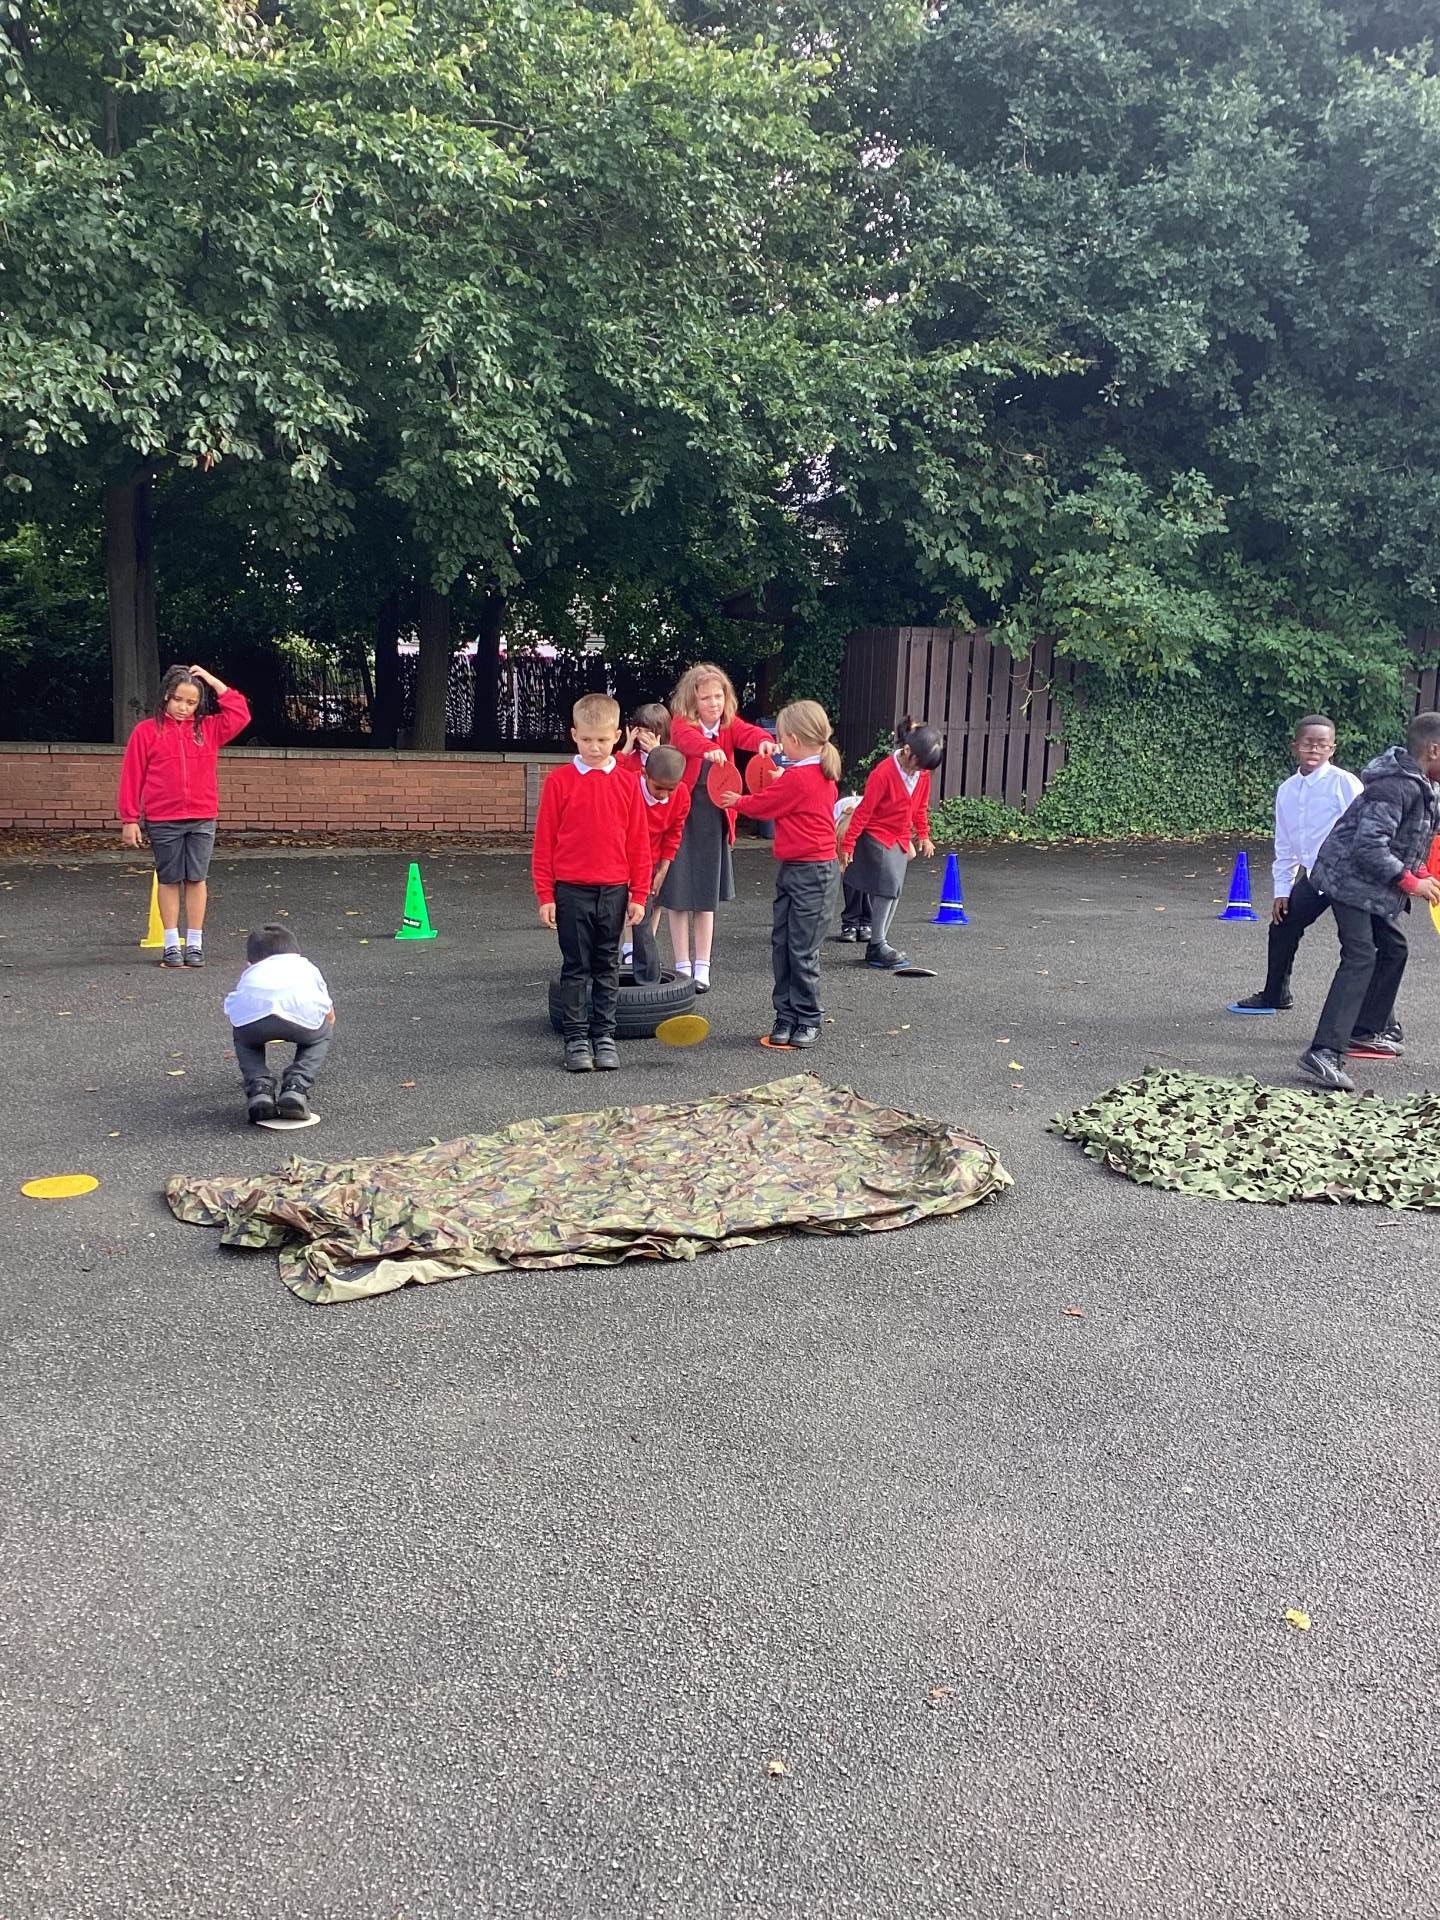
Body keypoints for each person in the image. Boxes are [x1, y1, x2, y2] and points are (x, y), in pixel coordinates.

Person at [1297, 711, 1440, 1091]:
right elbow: (1368, 846)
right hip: (1347, 879)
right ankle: (1324, 1051)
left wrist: (1421, 873)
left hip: (1374, 885)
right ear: (1433, 750)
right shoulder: (1393, 787)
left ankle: (1364, 1030)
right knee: (1361, 956)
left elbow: (1414, 843)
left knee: (1394, 948)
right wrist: (1409, 881)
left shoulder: (1429, 789)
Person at [532, 692, 651, 1072]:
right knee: (575, 967)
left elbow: (639, 842)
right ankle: (576, 1039)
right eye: (586, 739)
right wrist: (545, 894)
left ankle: (604, 1036)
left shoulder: (629, 783)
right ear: (574, 735)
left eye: (602, 739)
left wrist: (639, 893)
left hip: (614, 890)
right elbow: (545, 841)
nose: (594, 747)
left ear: (617, 736)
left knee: (607, 965)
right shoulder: (559, 782)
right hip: (571, 889)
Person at [717, 700, 841, 1050]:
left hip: (812, 873)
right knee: (785, 945)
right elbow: (788, 790)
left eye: (781, 738)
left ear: (794, 740)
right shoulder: (814, 771)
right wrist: (780, 779)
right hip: (801, 869)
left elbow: (765, 804)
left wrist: (735, 800)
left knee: (799, 950)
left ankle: (807, 1018)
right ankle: (787, 1016)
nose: (779, 744)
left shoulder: (800, 778)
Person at [116, 663, 251, 968]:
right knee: (169, 879)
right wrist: (129, 818)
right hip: (163, 818)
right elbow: (132, 776)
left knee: (196, 879)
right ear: (167, 695)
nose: (183, 708)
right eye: (178, 699)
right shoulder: (146, 731)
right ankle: (170, 943)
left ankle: (194, 943)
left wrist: (213, 681)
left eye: (191, 702)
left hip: (202, 817)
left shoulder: (208, 729)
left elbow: (240, 714)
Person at [1228, 715, 1363, 1016]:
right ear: (1295, 747)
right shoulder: (1287, 790)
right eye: (1308, 743)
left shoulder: (1344, 783)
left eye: (1322, 744)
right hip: (1315, 876)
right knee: (1283, 925)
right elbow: (1285, 843)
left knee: (1359, 947)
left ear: (1332, 749)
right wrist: (1282, 889)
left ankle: (1378, 1021)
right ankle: (1275, 994)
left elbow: (1365, 827)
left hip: (1347, 877)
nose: (1314, 749)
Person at [662, 662, 777, 992]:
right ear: (692, 701)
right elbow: (685, 740)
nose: (713, 703)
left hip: (713, 815)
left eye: (718, 696)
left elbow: (749, 733)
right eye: (706, 698)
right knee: (678, 892)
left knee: (706, 892)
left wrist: (764, 742)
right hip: (683, 815)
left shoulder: (728, 724)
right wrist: (708, 748)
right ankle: (682, 964)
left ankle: (703, 966)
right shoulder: (682, 723)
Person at [839, 717, 942, 969]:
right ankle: (878, 943)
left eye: (924, 769)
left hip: (900, 836)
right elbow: (864, 811)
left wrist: (924, 835)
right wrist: (848, 844)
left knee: (895, 891)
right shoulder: (883, 773)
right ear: (907, 751)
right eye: (917, 766)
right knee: (888, 887)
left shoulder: (922, 773)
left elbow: (920, 807)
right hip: (877, 834)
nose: (919, 772)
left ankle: (878, 943)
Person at [223, 923, 334, 1125]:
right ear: (296, 952)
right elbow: (328, 1012)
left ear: (250, 962)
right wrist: (324, 1027)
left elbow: (236, 1007)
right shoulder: (306, 967)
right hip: (301, 1018)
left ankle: (259, 1088)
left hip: (254, 1023)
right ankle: (296, 1085)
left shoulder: (251, 971)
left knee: (245, 1040)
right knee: (320, 1036)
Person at [629, 744, 691, 985]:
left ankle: (647, 977)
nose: (664, 795)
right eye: (658, 788)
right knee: (611, 914)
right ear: (645, 773)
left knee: (644, 915)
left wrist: (663, 869)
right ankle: (604, 969)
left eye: (670, 789)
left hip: (651, 859)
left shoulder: (682, 795)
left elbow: (674, 833)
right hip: (622, 856)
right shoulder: (629, 786)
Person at [834, 794, 872, 943]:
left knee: (869, 880)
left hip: (869, 835)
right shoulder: (840, 809)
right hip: (846, 837)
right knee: (851, 880)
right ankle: (852, 923)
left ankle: (865, 921)